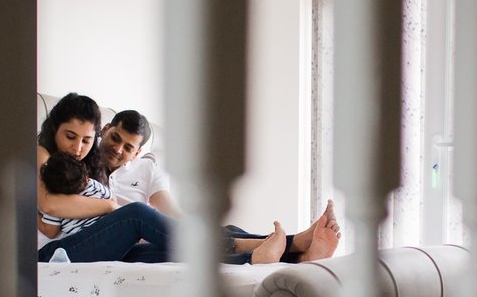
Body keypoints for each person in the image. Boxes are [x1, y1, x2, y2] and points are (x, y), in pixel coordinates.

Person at [36, 95, 288, 264]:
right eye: (70, 136)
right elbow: (49, 206)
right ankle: (234, 245)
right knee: (136, 213)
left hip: (86, 244)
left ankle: (272, 254)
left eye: (86, 140)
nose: (77, 147)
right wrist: (111, 208)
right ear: (54, 128)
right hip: (52, 254)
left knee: (157, 252)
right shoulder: (40, 153)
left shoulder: (86, 165)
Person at [95, 109, 340, 263]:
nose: (118, 149)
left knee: (214, 230)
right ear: (105, 130)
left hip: (150, 233)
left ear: (137, 153)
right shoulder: (82, 160)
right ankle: (289, 248)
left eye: (128, 147)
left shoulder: (147, 168)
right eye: (115, 138)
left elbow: (169, 209)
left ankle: (300, 253)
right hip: (119, 240)